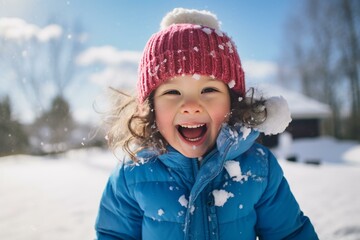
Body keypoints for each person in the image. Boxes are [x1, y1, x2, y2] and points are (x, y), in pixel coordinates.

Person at [95, 8, 318, 240]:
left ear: (232, 103)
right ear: (150, 107)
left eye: (209, 89)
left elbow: (290, 234)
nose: (191, 105)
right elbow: (113, 235)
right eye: (172, 91)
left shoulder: (259, 168)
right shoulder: (132, 175)